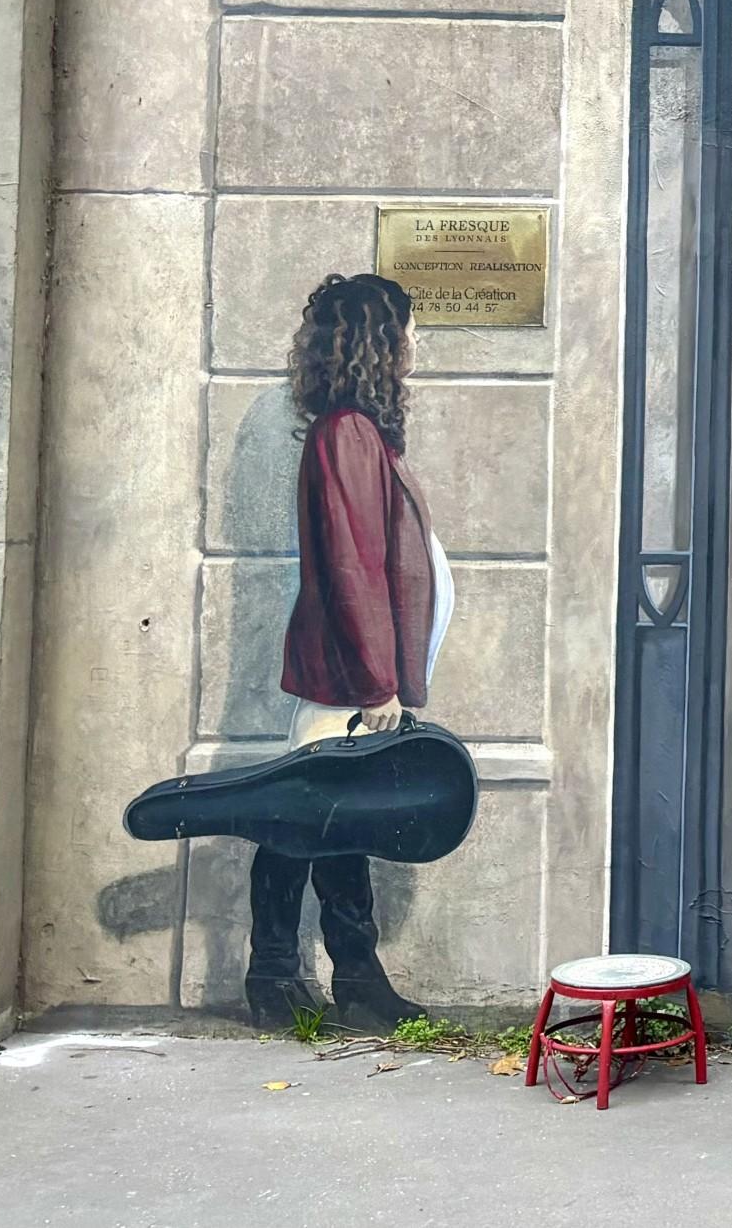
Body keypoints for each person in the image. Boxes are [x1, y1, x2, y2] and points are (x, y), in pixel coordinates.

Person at [248, 273, 453, 1033]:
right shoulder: (346, 435)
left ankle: (345, 979)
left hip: (351, 674)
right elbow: (350, 568)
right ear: (379, 343)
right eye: (405, 329)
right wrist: (377, 683)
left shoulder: (354, 431)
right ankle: (282, 975)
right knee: (293, 822)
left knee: (328, 820)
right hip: (345, 676)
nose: (414, 345)